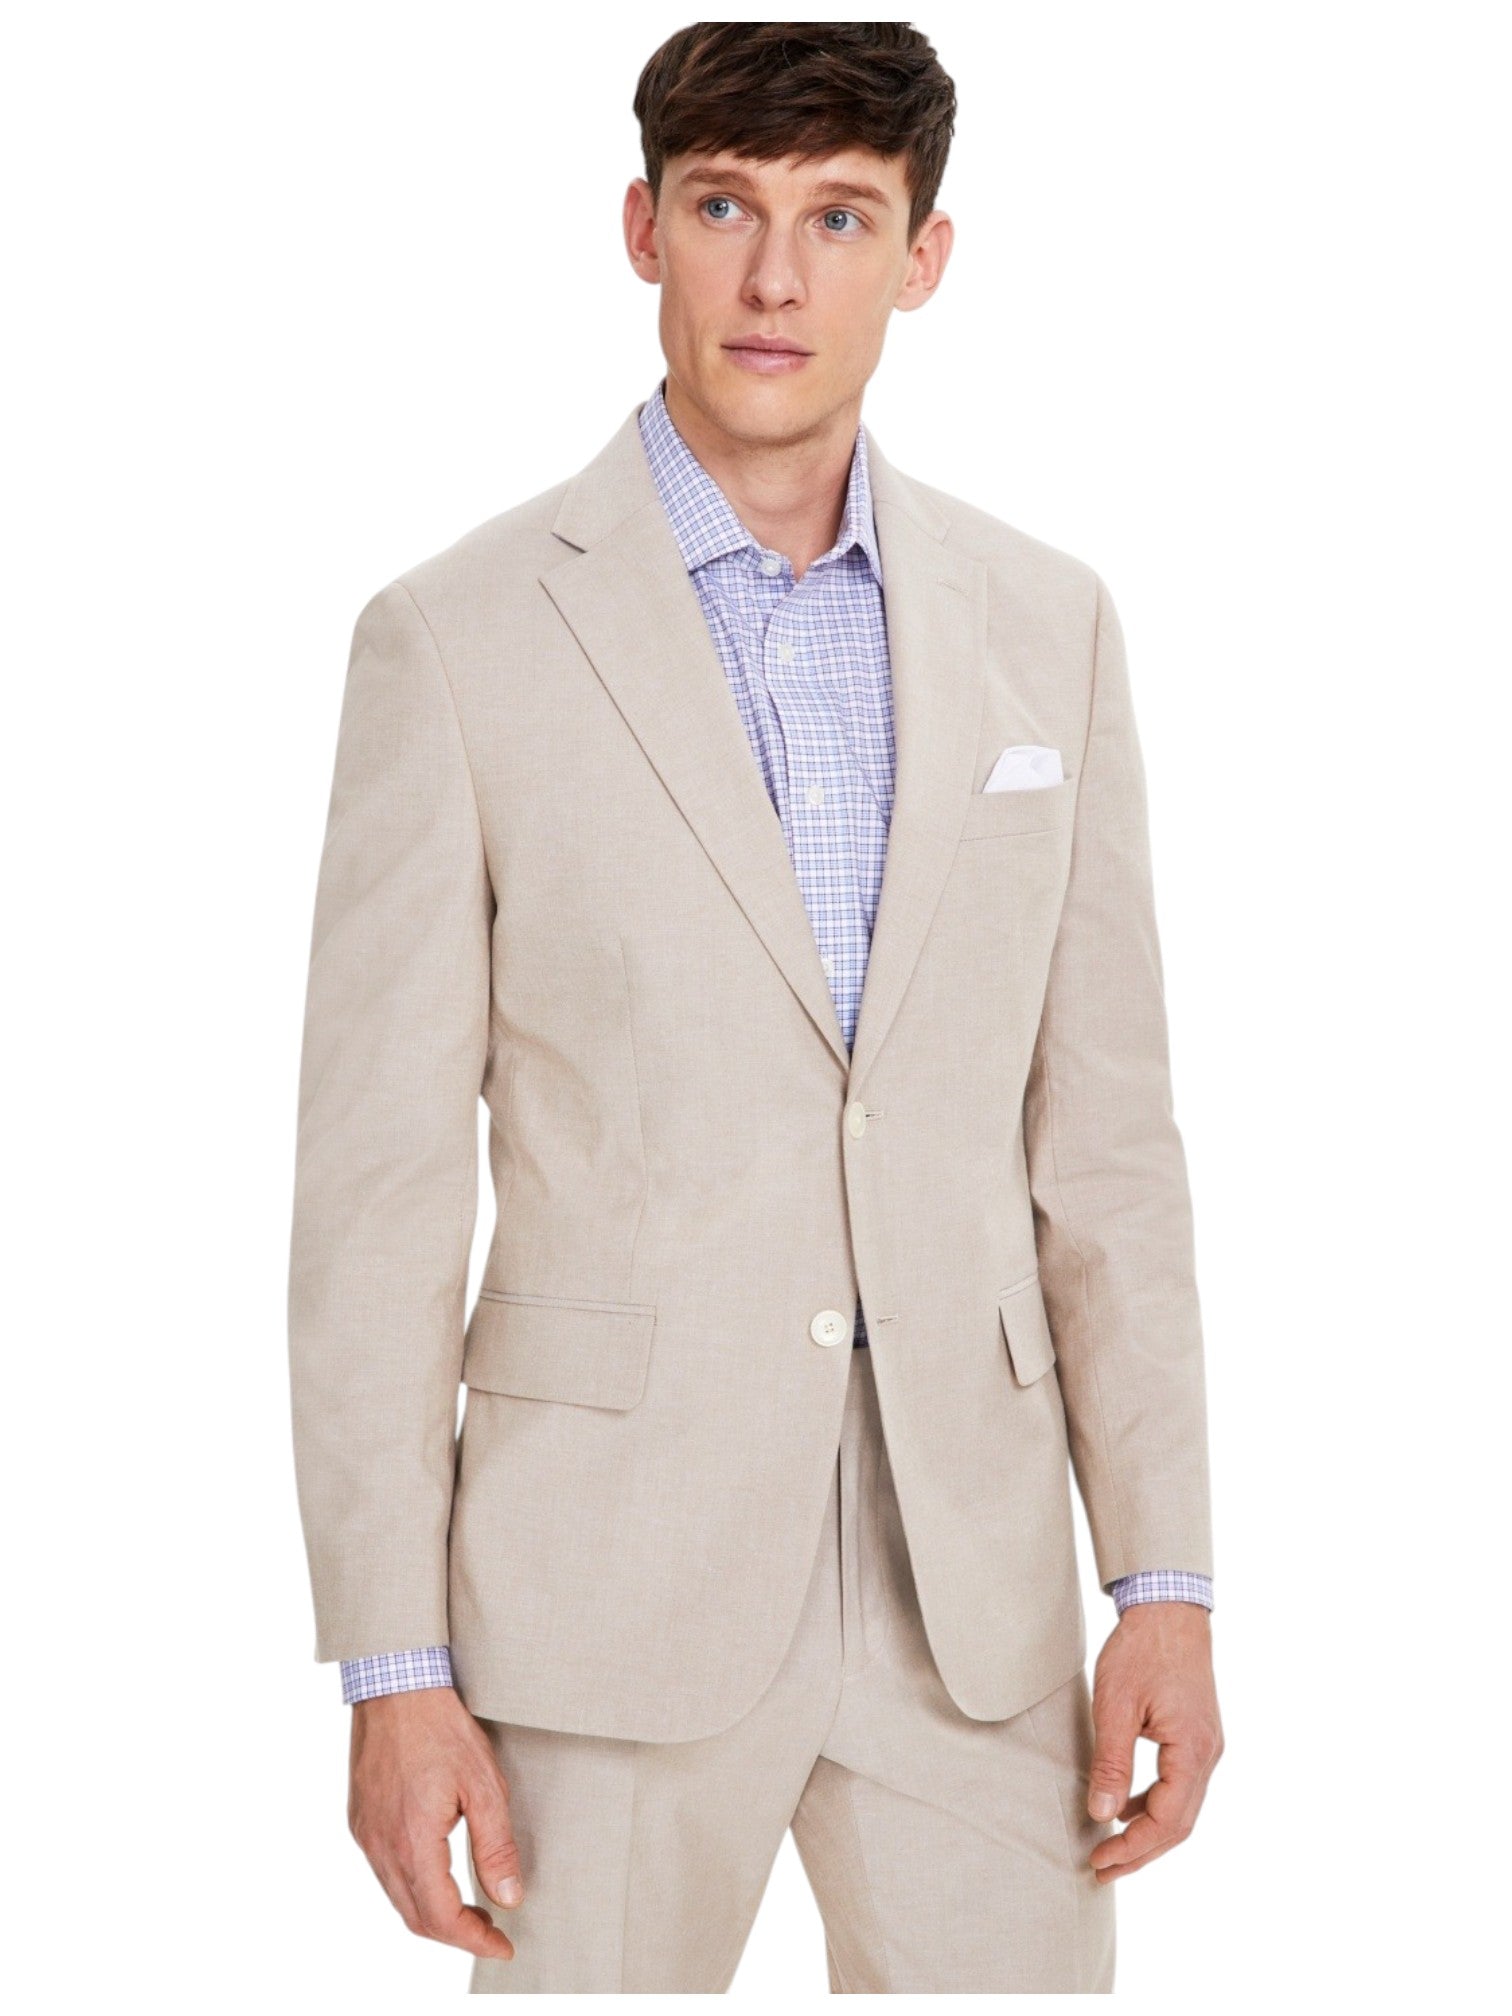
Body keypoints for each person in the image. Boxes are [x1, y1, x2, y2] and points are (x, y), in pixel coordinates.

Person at [287, 20, 1223, 1995]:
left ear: (925, 256)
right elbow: (377, 1200)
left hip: (972, 1606)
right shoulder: (454, 642)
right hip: (600, 1589)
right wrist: (390, 1668)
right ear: (644, 232)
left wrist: (1162, 1577)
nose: (777, 278)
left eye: (841, 218)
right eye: (725, 209)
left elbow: (1109, 1155)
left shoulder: (1046, 625)